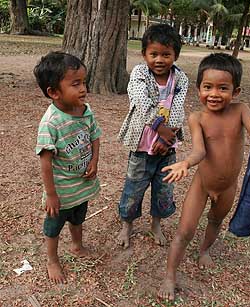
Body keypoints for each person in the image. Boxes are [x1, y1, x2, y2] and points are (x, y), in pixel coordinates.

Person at [158, 53, 250, 300]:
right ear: (199, 89)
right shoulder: (197, 118)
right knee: (184, 231)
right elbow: (199, 150)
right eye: (208, 87)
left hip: (228, 186)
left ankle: (205, 249)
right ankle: (169, 276)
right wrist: (185, 163)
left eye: (223, 88)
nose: (214, 94)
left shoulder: (240, 111)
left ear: (236, 91)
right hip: (202, 185)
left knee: (215, 221)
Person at [117, 24, 189, 249]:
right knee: (133, 188)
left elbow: (177, 109)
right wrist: (160, 127)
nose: (160, 60)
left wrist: (167, 138)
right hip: (141, 145)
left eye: (166, 55)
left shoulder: (180, 79)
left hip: (167, 148)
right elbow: (140, 101)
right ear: (144, 54)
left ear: (175, 55)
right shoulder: (139, 73)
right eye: (154, 54)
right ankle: (127, 225)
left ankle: (155, 224)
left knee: (164, 189)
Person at [34, 52, 101, 283]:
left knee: (78, 218)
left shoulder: (85, 110)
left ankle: (77, 246)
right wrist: (51, 194)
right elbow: (45, 162)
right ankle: (52, 259)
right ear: (53, 92)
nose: (83, 88)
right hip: (61, 190)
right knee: (53, 227)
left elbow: (95, 136)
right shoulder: (51, 123)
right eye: (75, 84)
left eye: (84, 82)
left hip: (81, 184)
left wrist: (94, 161)